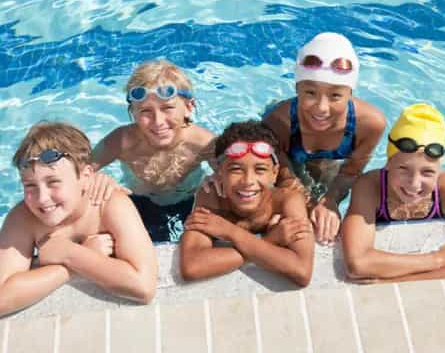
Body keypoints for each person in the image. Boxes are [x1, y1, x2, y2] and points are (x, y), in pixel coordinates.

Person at [0, 122, 158, 317]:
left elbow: (144, 287)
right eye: (30, 185)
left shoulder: (109, 204)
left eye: (53, 182)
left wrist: (68, 252)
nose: (42, 198)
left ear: (85, 177)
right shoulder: (23, 217)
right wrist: (71, 265)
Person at [262, 32, 386, 245]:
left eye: (335, 95)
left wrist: (330, 202)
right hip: (292, 150)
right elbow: (284, 173)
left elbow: (351, 172)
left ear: (350, 93)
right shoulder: (277, 121)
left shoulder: (370, 124)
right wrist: (307, 204)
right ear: (297, 88)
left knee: (326, 183)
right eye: (310, 92)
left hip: (331, 159)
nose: (321, 107)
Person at [342, 103, 445, 282]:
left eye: (427, 172)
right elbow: (358, 264)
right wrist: (438, 259)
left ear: (439, 169)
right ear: (389, 162)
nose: (414, 185)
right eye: (403, 169)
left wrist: (398, 281)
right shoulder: (369, 186)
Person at [92, 60, 215, 242]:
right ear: (133, 112)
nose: (158, 121)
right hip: (140, 202)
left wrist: (220, 177)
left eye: (167, 108)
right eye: (145, 111)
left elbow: (234, 172)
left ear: (189, 107)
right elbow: (78, 172)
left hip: (190, 201)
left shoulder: (204, 143)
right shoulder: (121, 141)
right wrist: (97, 178)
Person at [180, 121, 315, 286]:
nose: (248, 181)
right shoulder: (211, 197)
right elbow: (192, 267)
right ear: (220, 173)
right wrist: (271, 240)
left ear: (274, 173)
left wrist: (230, 231)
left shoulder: (288, 200)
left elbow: (302, 271)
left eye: (260, 170)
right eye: (236, 169)